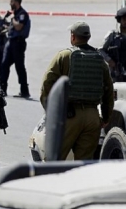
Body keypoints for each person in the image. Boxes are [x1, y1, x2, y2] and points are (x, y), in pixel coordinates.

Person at [40, 22, 114, 161]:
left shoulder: (64, 56)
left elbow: (47, 83)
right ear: (88, 37)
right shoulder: (99, 59)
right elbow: (108, 90)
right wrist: (105, 117)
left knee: (53, 161)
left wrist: (50, 110)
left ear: (73, 37)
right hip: (92, 117)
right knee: (83, 164)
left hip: (68, 116)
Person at [0, 0, 31, 99]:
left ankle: (24, 91)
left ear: (17, 2)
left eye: (12, 1)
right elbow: (12, 27)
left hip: (18, 43)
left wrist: (12, 18)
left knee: (19, 66)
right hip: (10, 42)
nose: (10, 3)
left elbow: (18, 27)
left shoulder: (22, 14)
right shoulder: (16, 14)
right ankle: (2, 89)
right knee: (4, 64)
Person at [100, 7, 126, 82]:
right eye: (124, 19)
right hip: (114, 70)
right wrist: (109, 60)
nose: (125, 22)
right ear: (120, 20)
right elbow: (100, 50)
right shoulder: (112, 35)